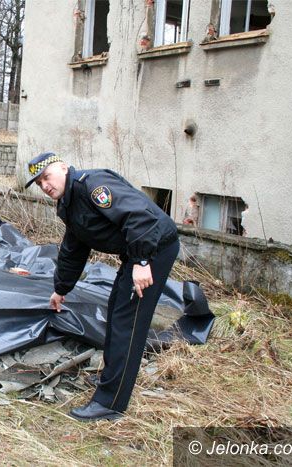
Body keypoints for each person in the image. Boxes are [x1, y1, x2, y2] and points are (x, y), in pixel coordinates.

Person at [24, 152, 180, 421]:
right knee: (117, 312)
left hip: (154, 248)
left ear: (63, 168)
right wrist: (61, 289)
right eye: (39, 183)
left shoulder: (93, 186)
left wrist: (142, 261)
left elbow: (139, 216)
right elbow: (74, 249)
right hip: (136, 253)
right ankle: (110, 381)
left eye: (47, 177)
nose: (45, 185)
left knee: (128, 322)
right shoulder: (69, 204)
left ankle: (111, 403)